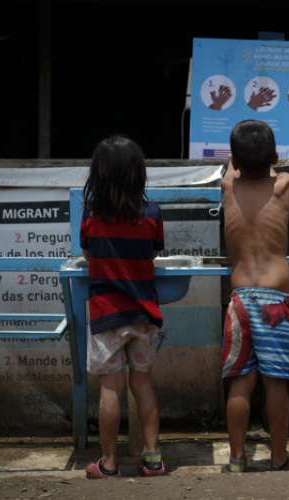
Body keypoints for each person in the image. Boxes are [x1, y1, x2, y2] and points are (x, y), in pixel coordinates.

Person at [80, 135, 167, 478]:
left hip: (106, 315)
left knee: (110, 387)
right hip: (143, 314)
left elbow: (88, 255)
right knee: (142, 383)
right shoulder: (151, 214)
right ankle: (153, 459)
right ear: (138, 174)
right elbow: (153, 251)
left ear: (98, 175)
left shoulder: (91, 215)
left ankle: (108, 463)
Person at [221, 119, 289, 472]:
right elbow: (284, 170)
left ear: (234, 162)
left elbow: (228, 171)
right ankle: (279, 456)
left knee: (240, 382)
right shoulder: (284, 185)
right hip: (276, 300)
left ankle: (237, 457)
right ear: (275, 156)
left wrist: (235, 162)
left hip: (239, 298)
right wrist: (274, 160)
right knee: (275, 384)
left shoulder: (227, 187)